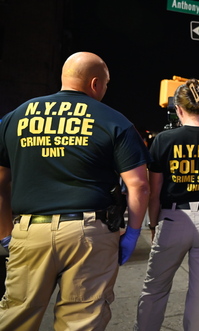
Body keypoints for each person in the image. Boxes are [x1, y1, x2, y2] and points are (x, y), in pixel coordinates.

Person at [0, 52, 150, 330]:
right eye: (106, 84)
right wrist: (132, 233)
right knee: (82, 320)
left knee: (16, 317)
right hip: (89, 234)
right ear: (95, 83)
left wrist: (6, 234)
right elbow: (138, 185)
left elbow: (0, 181)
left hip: (30, 230)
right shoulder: (114, 121)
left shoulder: (14, 118)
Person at [135, 79, 199, 331]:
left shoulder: (164, 140)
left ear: (178, 110)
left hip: (174, 219)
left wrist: (152, 224)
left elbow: (154, 191)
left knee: (156, 288)